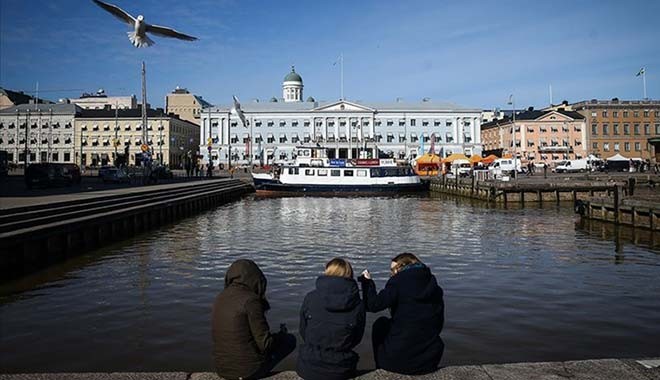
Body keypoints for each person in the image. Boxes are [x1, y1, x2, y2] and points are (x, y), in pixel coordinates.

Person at [358, 253, 444, 375]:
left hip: (396, 362)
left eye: (393, 270)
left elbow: (373, 305)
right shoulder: (434, 286)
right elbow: (439, 324)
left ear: (402, 267)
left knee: (381, 323)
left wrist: (367, 282)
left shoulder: (398, 282)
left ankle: (381, 369)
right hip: (429, 361)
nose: (391, 274)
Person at [211, 259, 296, 380]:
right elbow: (265, 344)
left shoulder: (221, 297)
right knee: (289, 341)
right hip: (246, 371)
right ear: (255, 278)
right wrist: (280, 336)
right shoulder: (251, 300)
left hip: (222, 369)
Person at [297, 258, 366, 380]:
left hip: (308, 366)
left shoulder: (310, 298)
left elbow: (303, 330)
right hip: (341, 369)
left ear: (327, 272)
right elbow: (356, 338)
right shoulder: (358, 304)